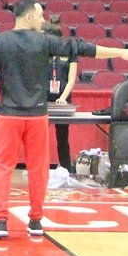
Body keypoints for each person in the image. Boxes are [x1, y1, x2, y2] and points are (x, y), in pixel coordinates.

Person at [0, 0, 128, 239]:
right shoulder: (44, 41)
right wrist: (121, 52)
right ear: (28, 17)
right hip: (37, 117)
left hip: (9, 116)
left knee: (3, 168)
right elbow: (81, 47)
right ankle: (35, 221)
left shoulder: (0, 41)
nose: (44, 19)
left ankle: (1, 220)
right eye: (40, 15)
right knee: (38, 170)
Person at [43, 16, 78, 171]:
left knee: (62, 136)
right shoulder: (42, 51)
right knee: (40, 137)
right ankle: (39, 168)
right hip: (44, 97)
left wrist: (63, 98)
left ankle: (66, 169)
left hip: (63, 99)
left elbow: (71, 79)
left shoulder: (70, 50)